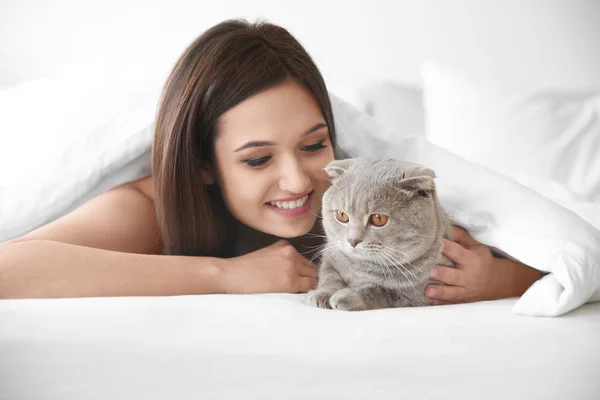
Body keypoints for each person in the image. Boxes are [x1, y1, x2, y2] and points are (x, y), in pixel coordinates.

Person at [0, 20, 545, 303]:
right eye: (258, 158)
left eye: (314, 145)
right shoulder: (143, 208)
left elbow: (549, 254)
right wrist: (227, 276)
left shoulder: (363, 194)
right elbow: (9, 268)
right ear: (204, 165)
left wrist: (503, 281)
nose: (297, 180)